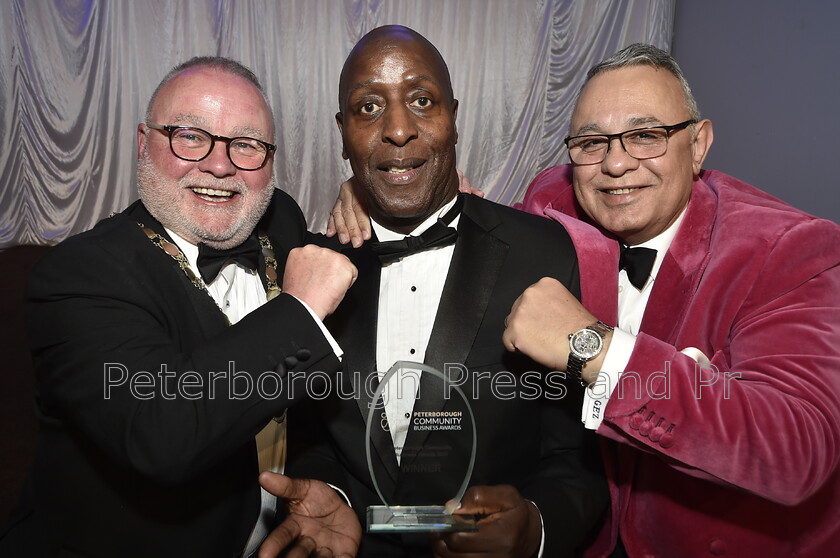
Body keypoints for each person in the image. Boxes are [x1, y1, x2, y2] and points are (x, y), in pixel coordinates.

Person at [329, 43, 840, 557]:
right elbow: (466, 230)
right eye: (592, 142)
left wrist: (591, 347)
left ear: (699, 143)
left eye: (646, 136)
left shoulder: (788, 249)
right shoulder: (553, 199)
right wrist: (376, 191)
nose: (615, 164)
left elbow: (796, 451)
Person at [0, 56, 360, 557]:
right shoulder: (78, 275)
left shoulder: (281, 225)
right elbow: (161, 434)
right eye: (190, 135)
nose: (219, 164)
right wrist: (298, 312)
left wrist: (378, 193)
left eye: (247, 144)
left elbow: (305, 408)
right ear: (144, 143)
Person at [285, 25, 608, 558]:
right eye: (368, 108)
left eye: (421, 100)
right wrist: (333, 495)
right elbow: (311, 438)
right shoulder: (314, 267)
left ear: (453, 116)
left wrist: (536, 526)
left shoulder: (543, 251)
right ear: (342, 133)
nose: (397, 129)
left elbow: (578, 456)